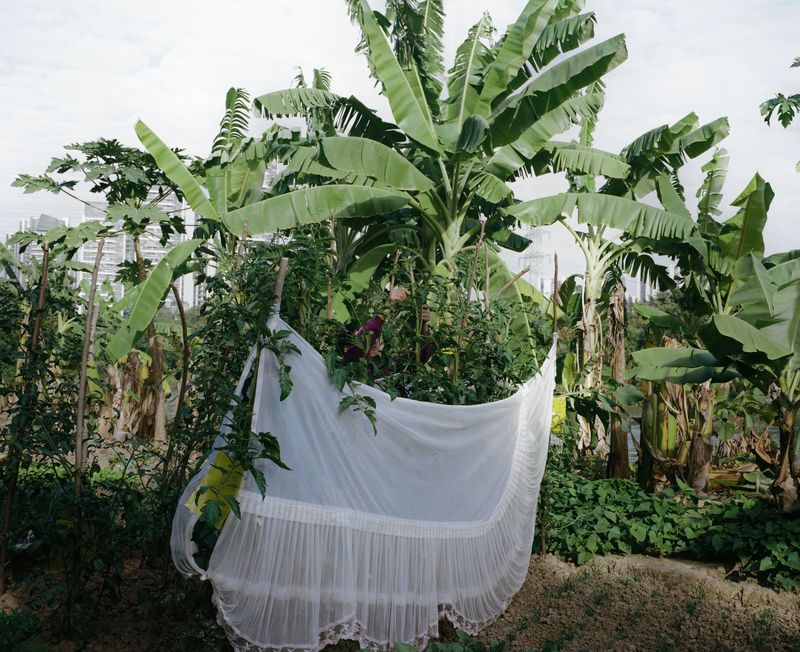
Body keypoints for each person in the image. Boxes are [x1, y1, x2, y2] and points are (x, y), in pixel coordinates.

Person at [342, 286, 433, 371]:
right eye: (361, 331)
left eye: (376, 336)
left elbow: (420, 357)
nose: (374, 339)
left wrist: (423, 324)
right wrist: (389, 304)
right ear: (346, 348)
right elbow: (363, 341)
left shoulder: (389, 366)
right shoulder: (350, 366)